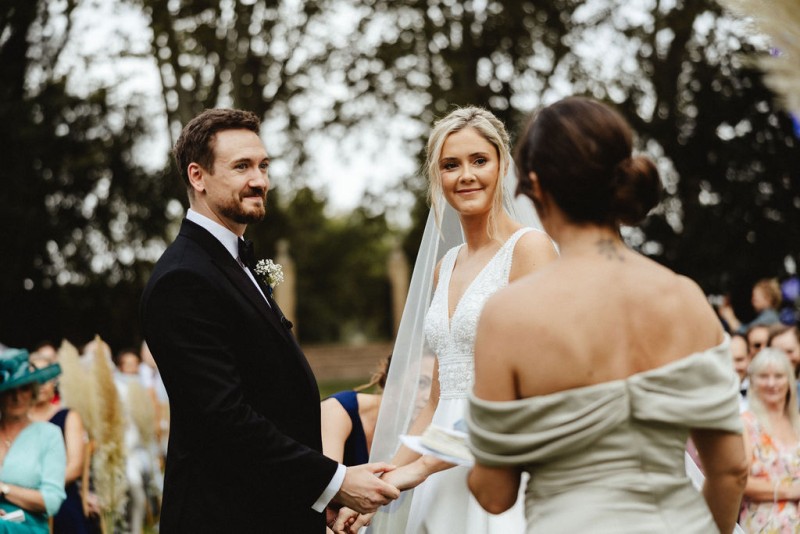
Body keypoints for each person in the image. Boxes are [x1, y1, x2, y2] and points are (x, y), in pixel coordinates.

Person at [467, 97, 748, 533]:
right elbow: (731, 470)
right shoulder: (686, 299)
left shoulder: (508, 315)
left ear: (536, 185)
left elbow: (495, 494)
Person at [139, 108, 399, 533]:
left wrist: (311, 500)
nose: (260, 181)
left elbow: (269, 392)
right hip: (226, 518)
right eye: (242, 166)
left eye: (263, 166)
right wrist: (334, 483)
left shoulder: (235, 262)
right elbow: (223, 421)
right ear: (197, 176)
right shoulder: (183, 279)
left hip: (273, 506)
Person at [339, 106, 558, 533]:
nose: (466, 175)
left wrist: (421, 468)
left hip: (508, 458)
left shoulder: (529, 250)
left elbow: (537, 386)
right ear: (436, 176)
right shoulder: (446, 267)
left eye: (479, 160)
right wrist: (382, 482)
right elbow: (438, 400)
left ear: (503, 165)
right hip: (442, 466)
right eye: (451, 165)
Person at [0, 348, 67, 533]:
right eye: (9, 390)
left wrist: (4, 489)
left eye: (24, 389)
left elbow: (52, 501)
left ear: (33, 392)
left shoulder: (49, 434)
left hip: (27, 525)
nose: (17, 397)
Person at [28, 352, 93, 534]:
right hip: (20, 495)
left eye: (46, 377)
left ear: (54, 382)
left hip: (60, 491)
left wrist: (41, 490)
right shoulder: (16, 419)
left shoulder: (68, 416)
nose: (41, 384)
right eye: (35, 377)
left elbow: (74, 467)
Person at [738, 348, 800, 532]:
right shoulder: (745, 424)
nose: (771, 383)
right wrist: (791, 491)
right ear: (753, 381)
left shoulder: (797, 423)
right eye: (764, 376)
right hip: (765, 522)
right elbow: (740, 481)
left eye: (779, 376)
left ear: (789, 380)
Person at [321, 355, 392, 467]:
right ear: (392, 381)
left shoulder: (418, 428)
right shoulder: (339, 409)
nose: (423, 396)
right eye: (419, 382)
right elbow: (326, 474)